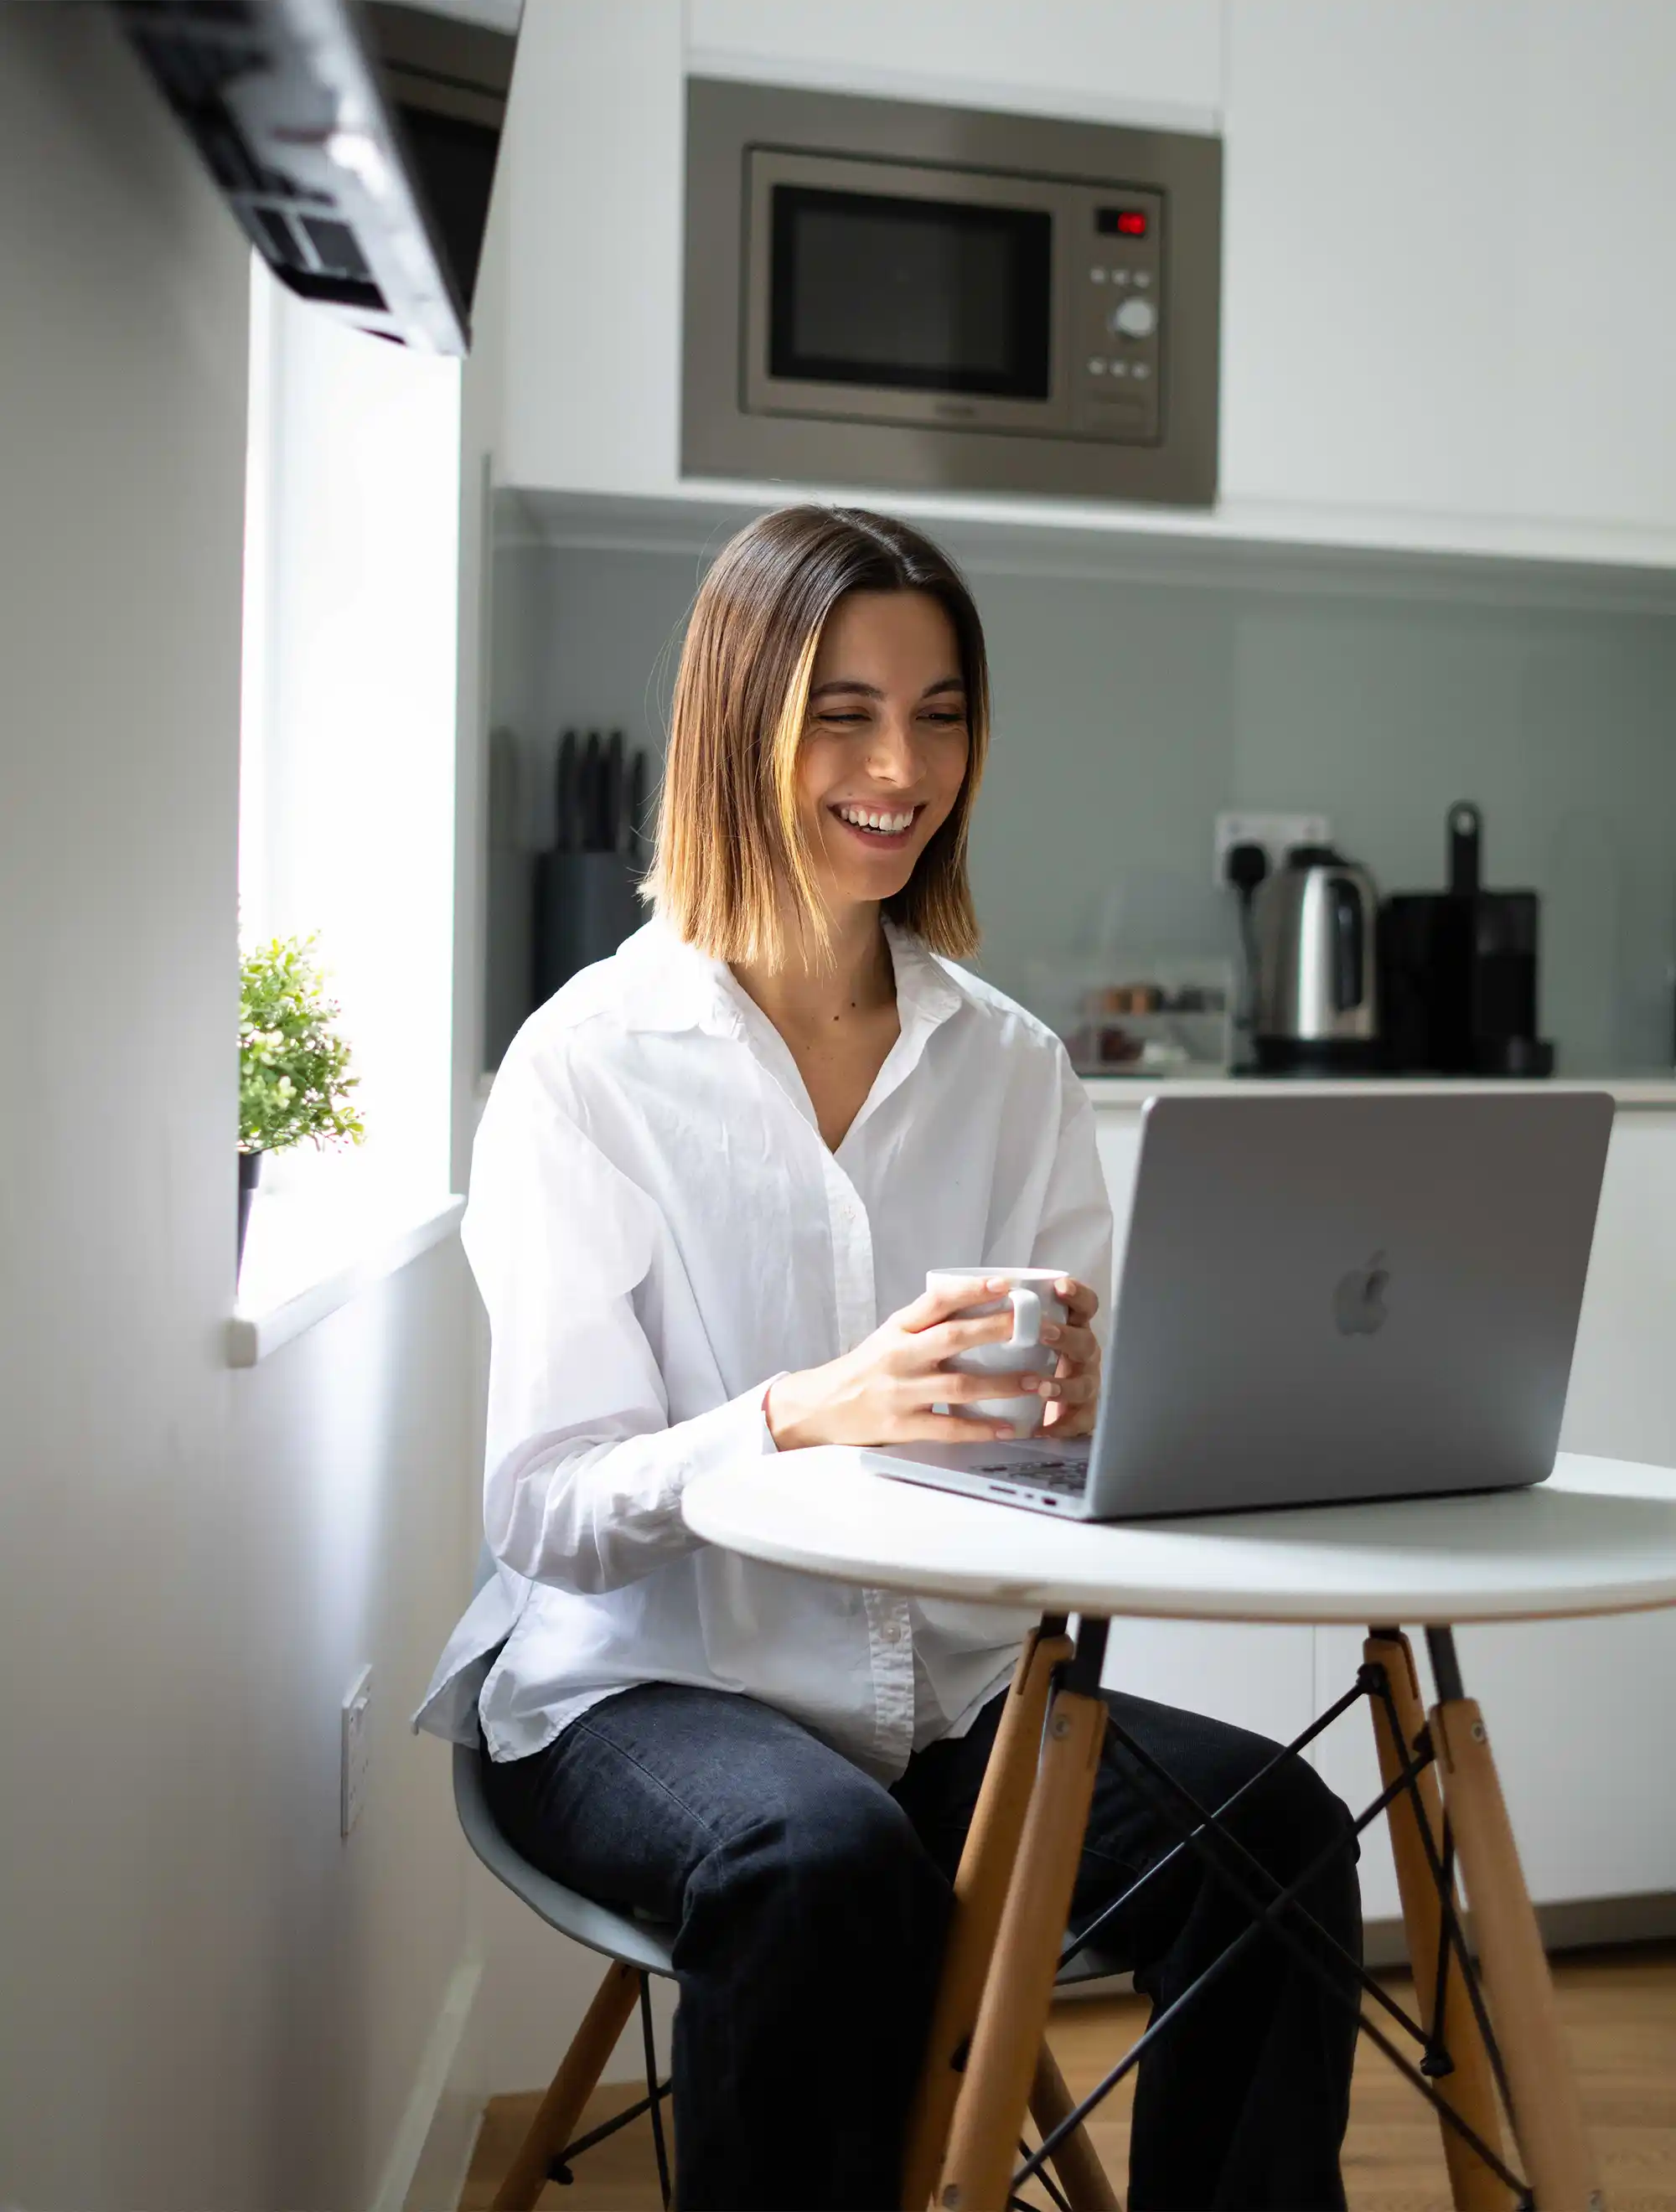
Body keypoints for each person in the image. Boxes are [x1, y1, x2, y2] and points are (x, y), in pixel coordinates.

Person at [416, 505, 1361, 2210]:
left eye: (938, 713)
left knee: (1273, 1840)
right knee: (818, 1860)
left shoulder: (1007, 1067)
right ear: (739, 723)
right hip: (645, 1691)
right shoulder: (586, 1068)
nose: (899, 762)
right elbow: (548, 1514)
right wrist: (805, 1414)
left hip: (947, 1699)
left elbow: (1063, 1462)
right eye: (842, 710)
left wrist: (1087, 1421)